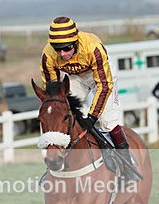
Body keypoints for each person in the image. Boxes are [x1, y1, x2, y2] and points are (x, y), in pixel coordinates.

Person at [40, 16, 137, 175]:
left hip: (101, 76)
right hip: (75, 78)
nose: (63, 54)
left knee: (107, 121)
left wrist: (92, 117)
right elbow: (53, 94)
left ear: (76, 41)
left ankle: (127, 163)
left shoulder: (93, 48)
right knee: (61, 112)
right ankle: (59, 159)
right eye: (58, 49)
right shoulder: (47, 56)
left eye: (67, 48)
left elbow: (104, 86)